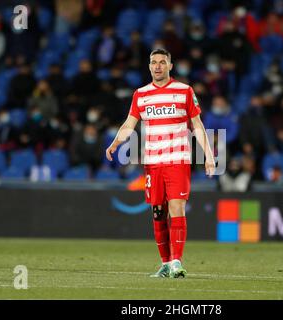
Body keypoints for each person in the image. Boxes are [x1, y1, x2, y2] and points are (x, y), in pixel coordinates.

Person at [105, 48, 215, 278]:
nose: (157, 66)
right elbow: (129, 124)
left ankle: (177, 261)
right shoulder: (141, 94)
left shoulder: (184, 91)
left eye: (162, 62)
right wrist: (115, 143)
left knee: (177, 207)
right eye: (154, 62)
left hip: (177, 159)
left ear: (170, 66)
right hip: (153, 163)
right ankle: (165, 264)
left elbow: (197, 124)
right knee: (157, 212)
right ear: (149, 66)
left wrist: (209, 155)